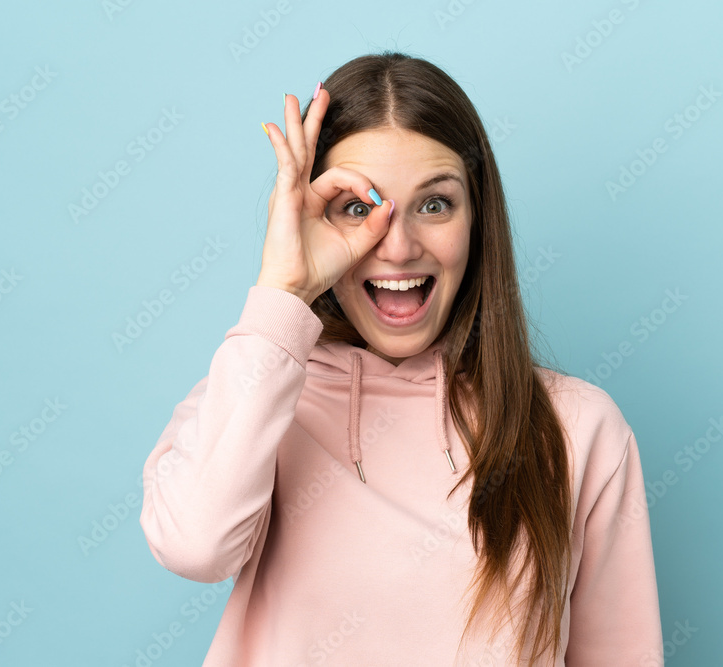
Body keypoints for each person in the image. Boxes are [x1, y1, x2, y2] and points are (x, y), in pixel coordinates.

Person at [139, 51, 663, 666]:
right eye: (359, 207)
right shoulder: (253, 393)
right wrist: (282, 290)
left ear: (478, 219)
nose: (399, 246)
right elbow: (193, 549)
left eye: (434, 204)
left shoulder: (578, 427)